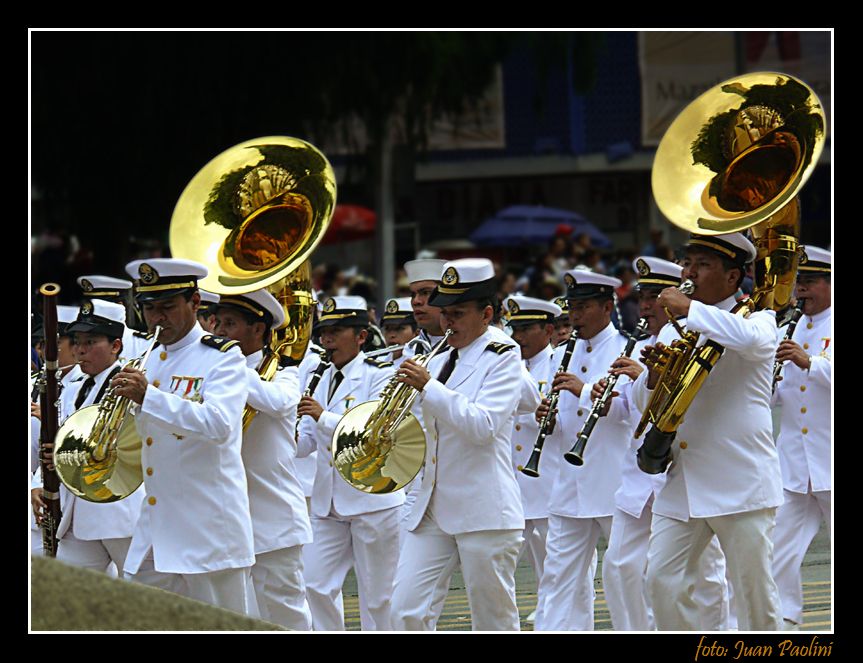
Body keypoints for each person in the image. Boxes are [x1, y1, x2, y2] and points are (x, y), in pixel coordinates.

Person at [631, 232, 784, 631]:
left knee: (754, 594)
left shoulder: (758, 319)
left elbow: (750, 340)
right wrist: (652, 377)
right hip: (684, 481)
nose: (689, 273)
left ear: (733, 277)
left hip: (741, 481)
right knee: (660, 580)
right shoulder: (673, 329)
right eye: (687, 264)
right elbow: (639, 406)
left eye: (701, 265)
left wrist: (690, 310)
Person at [391, 258, 538, 631]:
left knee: (492, 620)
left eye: (457, 313)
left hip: (483, 509)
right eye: (445, 314)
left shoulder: (503, 356)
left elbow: (483, 426)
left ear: (486, 313)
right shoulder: (440, 357)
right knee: (405, 611)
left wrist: (427, 387)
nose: (448, 322)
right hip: (432, 508)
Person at [113, 258, 257, 616]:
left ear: (194, 302)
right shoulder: (149, 358)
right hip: (157, 528)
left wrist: (149, 397)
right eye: (148, 309)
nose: (157, 318)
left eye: (167, 307)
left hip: (208, 529)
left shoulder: (223, 358)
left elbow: (220, 425)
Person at [599, 257, 732, 631]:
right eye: (641, 297)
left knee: (703, 573)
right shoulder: (643, 341)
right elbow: (636, 407)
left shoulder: (698, 330)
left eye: (654, 296)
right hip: (642, 469)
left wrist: (649, 376)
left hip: (688, 467)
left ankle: (716, 637)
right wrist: (640, 382)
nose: (645, 306)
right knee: (620, 566)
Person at [533, 270, 633, 631]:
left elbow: (628, 411)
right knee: (558, 578)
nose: (574, 316)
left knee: (624, 575)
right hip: (568, 482)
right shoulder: (559, 353)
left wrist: (584, 389)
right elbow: (563, 423)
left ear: (607, 307)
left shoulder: (626, 348)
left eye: (584, 307)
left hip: (612, 480)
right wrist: (547, 416)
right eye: (572, 307)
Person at [296, 295, 403, 631]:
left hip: (372, 498)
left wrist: (322, 415)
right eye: (323, 331)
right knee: (314, 583)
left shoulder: (380, 374)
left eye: (336, 331)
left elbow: (373, 433)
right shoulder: (318, 374)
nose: (326, 339)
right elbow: (305, 444)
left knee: (379, 596)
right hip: (327, 501)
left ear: (360, 336)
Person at [213, 288, 314, 630]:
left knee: (286, 614)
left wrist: (226, 366)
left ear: (258, 330)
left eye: (230, 324)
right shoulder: (214, 375)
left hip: (274, 521)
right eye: (217, 322)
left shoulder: (286, 374)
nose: (220, 331)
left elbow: (277, 402)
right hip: (224, 519)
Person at [53, 299, 145, 574]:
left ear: (116, 346)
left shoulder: (132, 382)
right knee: (66, 591)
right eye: (77, 341)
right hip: (76, 511)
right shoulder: (73, 388)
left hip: (119, 507)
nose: (80, 349)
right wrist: (37, 483)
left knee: (139, 589)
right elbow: (58, 442)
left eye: (90, 342)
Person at [771, 245, 832, 630]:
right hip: (794, 459)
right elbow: (773, 397)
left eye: (809, 283)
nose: (801, 292)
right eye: (798, 284)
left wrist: (811, 363)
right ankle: (783, 617)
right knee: (776, 546)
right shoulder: (785, 329)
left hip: (830, 455)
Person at [504, 294, 561, 626]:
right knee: (502, 568)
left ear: (548, 330)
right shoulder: (509, 365)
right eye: (515, 328)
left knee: (553, 569)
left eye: (526, 328)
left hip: (547, 483)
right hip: (512, 484)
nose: (518, 336)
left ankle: (554, 623)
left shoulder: (560, 365)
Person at [77, 275, 150, 360]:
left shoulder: (145, 345)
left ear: (120, 306)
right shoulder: (76, 346)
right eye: (90, 305)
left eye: (100, 306)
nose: (92, 311)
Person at [379, 297, 420, 366]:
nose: (391, 335)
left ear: (416, 333)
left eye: (399, 329)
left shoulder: (421, 363)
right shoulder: (378, 362)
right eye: (387, 328)